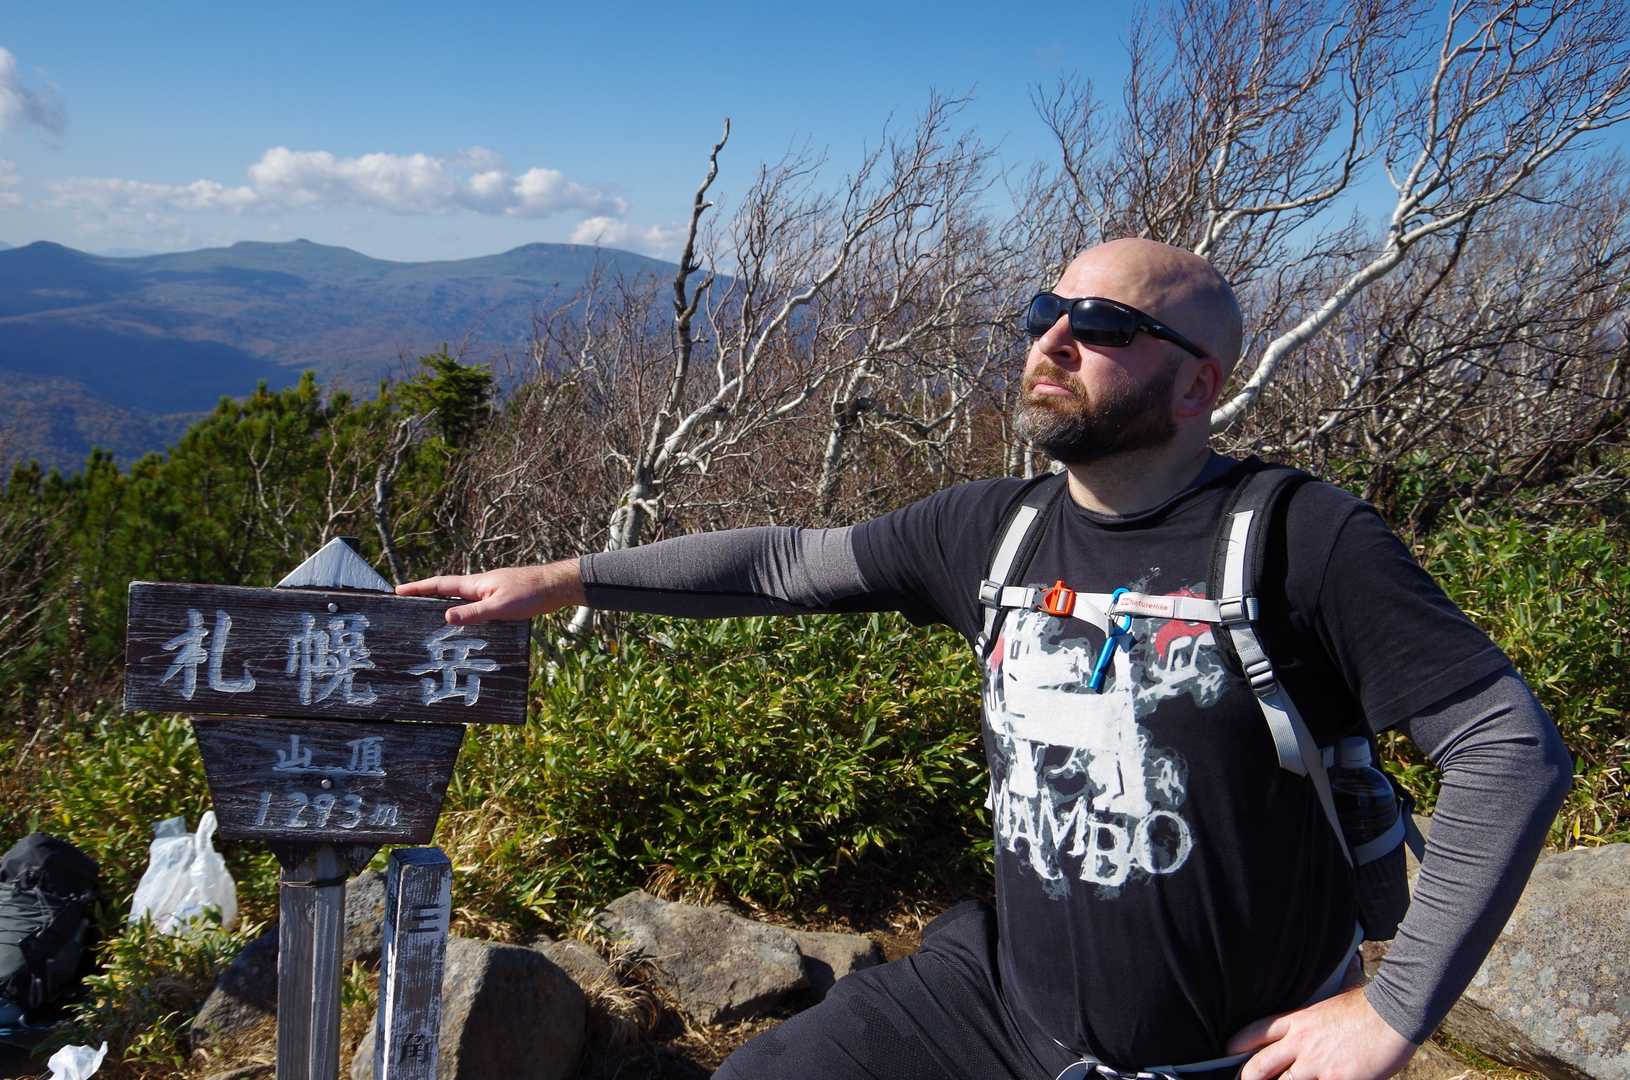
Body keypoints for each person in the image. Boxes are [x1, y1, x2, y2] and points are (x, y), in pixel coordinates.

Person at [398, 239, 1572, 1080]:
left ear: (1196, 384)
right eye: (1044, 310)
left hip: (1219, 1052)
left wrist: (1391, 1012)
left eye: (1103, 326)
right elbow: (786, 562)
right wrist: (560, 581)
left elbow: (1506, 750)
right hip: (992, 1002)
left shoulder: (1298, 538)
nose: (1053, 340)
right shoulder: (989, 530)